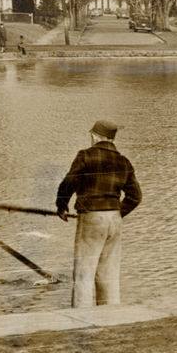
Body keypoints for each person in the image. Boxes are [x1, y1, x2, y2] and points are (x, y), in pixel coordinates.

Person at [56, 120, 142, 307]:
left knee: (84, 273)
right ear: (111, 139)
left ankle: (82, 320)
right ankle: (110, 317)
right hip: (114, 220)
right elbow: (135, 196)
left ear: (96, 136)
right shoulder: (123, 161)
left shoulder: (85, 156)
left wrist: (61, 205)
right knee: (108, 273)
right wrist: (117, 212)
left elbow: (69, 182)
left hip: (91, 217)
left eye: (92, 135)